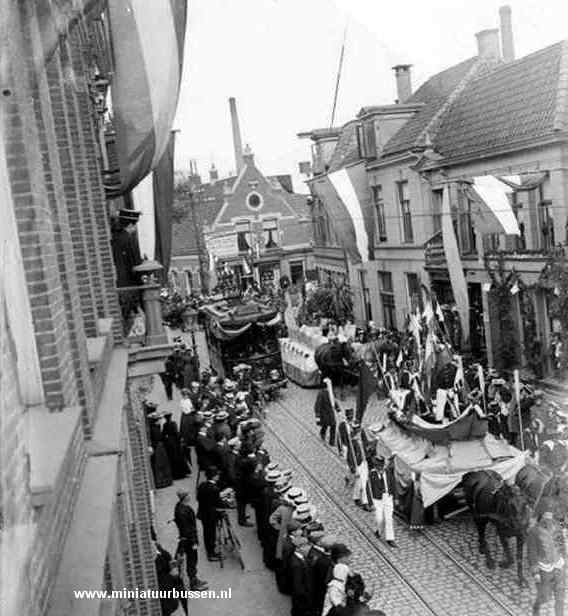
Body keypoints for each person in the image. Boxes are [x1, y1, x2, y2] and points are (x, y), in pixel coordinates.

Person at [526, 501, 566, 616]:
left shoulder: (558, 526)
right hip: (544, 570)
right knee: (544, 597)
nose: (548, 517)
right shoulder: (533, 532)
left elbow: (561, 544)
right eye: (546, 515)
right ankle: (536, 608)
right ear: (541, 515)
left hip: (559, 567)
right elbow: (532, 553)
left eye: (550, 514)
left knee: (560, 598)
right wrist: (535, 573)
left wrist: (564, 561)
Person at [173, 490, 208, 591]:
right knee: (192, 561)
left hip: (186, 539)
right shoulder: (183, 511)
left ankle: (194, 579)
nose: (190, 496)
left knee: (191, 560)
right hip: (188, 540)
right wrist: (193, 541)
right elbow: (187, 528)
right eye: (188, 495)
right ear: (185, 497)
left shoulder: (180, 507)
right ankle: (193, 583)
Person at [196, 466, 228, 561]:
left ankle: (210, 550)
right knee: (211, 534)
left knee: (207, 533)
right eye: (217, 475)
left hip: (203, 513)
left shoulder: (202, 485)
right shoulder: (214, 489)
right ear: (213, 476)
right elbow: (218, 503)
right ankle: (211, 554)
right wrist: (226, 502)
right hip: (211, 516)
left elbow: (199, 498)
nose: (218, 476)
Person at [368, 455, 397, 547]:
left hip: (388, 497)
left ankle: (390, 538)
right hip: (377, 499)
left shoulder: (388, 472)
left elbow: (393, 484)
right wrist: (370, 503)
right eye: (378, 466)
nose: (380, 468)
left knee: (389, 519)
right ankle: (378, 530)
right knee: (379, 518)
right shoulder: (371, 474)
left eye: (381, 466)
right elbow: (368, 489)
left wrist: (395, 498)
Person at [162, 412, 189, 480]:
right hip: (175, 442)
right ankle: (181, 473)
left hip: (169, 443)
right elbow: (176, 433)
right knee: (179, 457)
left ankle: (175, 474)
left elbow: (163, 434)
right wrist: (180, 438)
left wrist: (167, 438)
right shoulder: (173, 423)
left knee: (172, 458)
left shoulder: (165, 424)